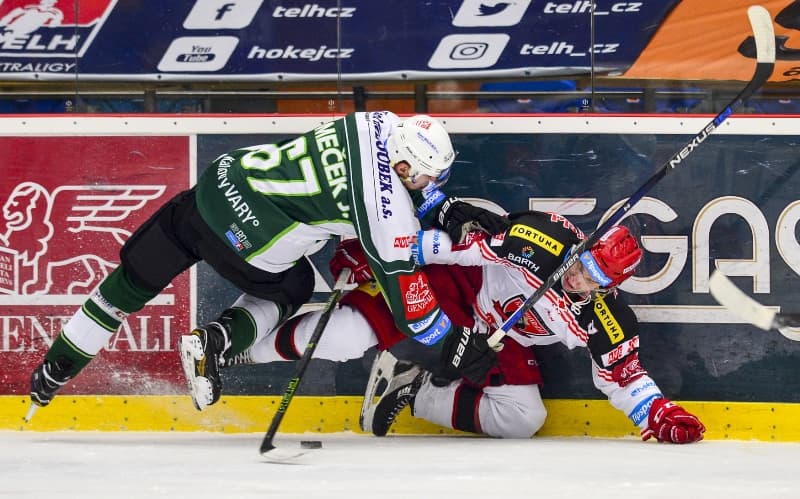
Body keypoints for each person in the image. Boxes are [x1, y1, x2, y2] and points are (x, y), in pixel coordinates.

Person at [27, 111, 508, 415]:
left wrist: (440, 208)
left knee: (128, 284)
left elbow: (394, 179)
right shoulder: (388, 218)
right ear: (405, 168)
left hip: (215, 190)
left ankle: (53, 371)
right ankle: (215, 341)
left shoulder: (376, 121)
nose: (429, 183)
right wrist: (454, 342)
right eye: (427, 178)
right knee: (291, 286)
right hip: (250, 239)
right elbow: (415, 314)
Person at [242, 213, 705, 443]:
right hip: (462, 290)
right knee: (345, 335)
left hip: (496, 339)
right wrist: (382, 251)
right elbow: (460, 249)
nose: (578, 278)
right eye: (582, 264)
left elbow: (624, 379)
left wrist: (658, 415)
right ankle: (241, 351)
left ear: (611, 287)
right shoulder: (541, 240)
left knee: (525, 419)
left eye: (594, 279)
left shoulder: (607, 321)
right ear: (580, 247)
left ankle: (411, 390)